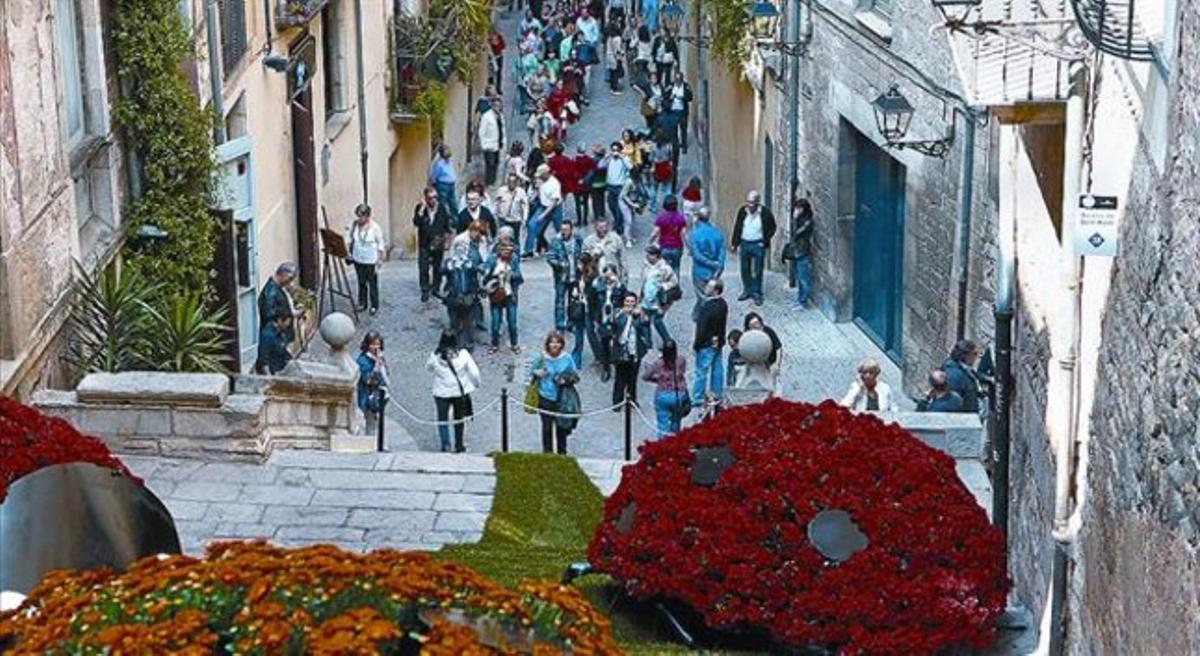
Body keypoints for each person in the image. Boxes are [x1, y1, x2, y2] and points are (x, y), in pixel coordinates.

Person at [427, 331, 481, 453]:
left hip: (441, 393)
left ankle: (445, 444)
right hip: (458, 393)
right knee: (459, 419)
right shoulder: (463, 355)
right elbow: (475, 373)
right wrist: (476, 384)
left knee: (442, 419)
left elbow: (428, 368)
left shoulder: (435, 356)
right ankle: (459, 445)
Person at [530, 331, 581, 454]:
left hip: (562, 398)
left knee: (561, 428)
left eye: (557, 342)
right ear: (548, 344)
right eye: (552, 342)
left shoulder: (567, 358)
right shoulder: (541, 358)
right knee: (546, 428)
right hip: (545, 397)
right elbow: (532, 371)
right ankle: (547, 454)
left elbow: (575, 376)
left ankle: (562, 453)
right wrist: (538, 373)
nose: (555, 345)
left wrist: (565, 380)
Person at [444, 221, 488, 350]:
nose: (478, 235)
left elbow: (480, 268)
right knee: (455, 320)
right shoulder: (452, 259)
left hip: (469, 290)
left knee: (469, 317)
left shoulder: (470, 263)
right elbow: (444, 271)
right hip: (454, 292)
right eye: (476, 231)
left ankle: (469, 341)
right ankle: (455, 341)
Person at [731, 190, 777, 305]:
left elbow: (772, 227)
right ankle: (747, 290)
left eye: (752, 203)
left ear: (757, 203)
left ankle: (757, 293)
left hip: (758, 244)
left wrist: (765, 241)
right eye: (748, 202)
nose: (750, 205)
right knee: (745, 269)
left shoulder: (765, 213)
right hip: (745, 243)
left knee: (758, 270)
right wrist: (734, 243)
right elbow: (738, 226)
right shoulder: (743, 211)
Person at [483, 241, 524, 353]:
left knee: (512, 323)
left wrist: (510, 274)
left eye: (509, 251)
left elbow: (520, 277)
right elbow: (485, 274)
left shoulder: (514, 260)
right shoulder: (492, 260)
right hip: (496, 295)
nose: (506, 253)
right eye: (504, 250)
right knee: (495, 324)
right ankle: (494, 344)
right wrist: (494, 275)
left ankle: (514, 343)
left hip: (510, 295)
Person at [692, 278, 728, 407]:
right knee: (717, 369)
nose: (706, 287)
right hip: (718, 341)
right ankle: (716, 393)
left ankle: (697, 397)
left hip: (706, 343)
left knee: (701, 371)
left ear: (715, 290)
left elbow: (702, 327)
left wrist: (696, 345)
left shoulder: (707, 306)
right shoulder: (723, 304)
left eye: (709, 286)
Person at [414, 187, 453, 302]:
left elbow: (447, 226)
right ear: (426, 198)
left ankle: (436, 288)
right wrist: (421, 209)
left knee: (437, 267)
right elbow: (416, 222)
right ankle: (425, 290)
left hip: (437, 242)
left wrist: (448, 241)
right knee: (423, 267)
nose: (433, 200)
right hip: (424, 243)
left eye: (436, 197)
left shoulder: (442, 208)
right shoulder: (420, 208)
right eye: (430, 198)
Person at [643, 339, 688, 437]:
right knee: (676, 422)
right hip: (678, 395)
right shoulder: (681, 360)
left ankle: (663, 446)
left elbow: (645, 376)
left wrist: (657, 379)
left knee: (662, 424)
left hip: (663, 394)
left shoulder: (658, 363)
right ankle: (675, 443)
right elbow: (682, 372)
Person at [688, 207, 726, 320]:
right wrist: (718, 265)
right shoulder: (718, 233)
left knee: (702, 295)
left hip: (700, 270)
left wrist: (710, 263)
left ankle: (703, 316)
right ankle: (697, 314)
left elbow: (696, 254)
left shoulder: (695, 234)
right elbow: (722, 253)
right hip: (714, 271)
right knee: (708, 294)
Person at [591, 263, 627, 381]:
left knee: (617, 341)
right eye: (607, 275)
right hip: (603, 318)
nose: (609, 278)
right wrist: (595, 319)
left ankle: (618, 365)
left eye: (611, 274)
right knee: (605, 342)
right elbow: (593, 303)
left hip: (615, 317)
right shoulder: (598, 287)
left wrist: (618, 284)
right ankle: (606, 367)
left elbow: (626, 300)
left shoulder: (620, 287)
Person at [612, 291, 647, 408]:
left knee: (633, 377)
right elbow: (612, 324)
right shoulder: (618, 314)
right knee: (620, 377)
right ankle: (617, 401)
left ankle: (632, 399)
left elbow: (645, 326)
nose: (630, 304)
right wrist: (625, 316)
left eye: (632, 302)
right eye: (627, 301)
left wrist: (640, 315)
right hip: (622, 350)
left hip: (635, 349)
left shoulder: (639, 316)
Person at [348, 203, 384, 315]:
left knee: (372, 283)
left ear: (367, 216)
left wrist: (380, 259)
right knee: (361, 282)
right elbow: (349, 238)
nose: (359, 218)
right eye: (358, 215)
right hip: (358, 258)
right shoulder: (354, 225)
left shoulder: (375, 227)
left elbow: (380, 243)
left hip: (370, 260)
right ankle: (362, 303)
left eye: (361, 216)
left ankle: (374, 305)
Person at [548, 220, 584, 331]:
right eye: (562, 230)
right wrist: (559, 264)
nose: (564, 232)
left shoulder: (577, 240)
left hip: (575, 275)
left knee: (573, 300)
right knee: (560, 301)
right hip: (562, 276)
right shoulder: (555, 241)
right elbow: (550, 258)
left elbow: (582, 253)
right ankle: (559, 324)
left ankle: (571, 322)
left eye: (567, 230)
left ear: (571, 230)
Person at [639, 245, 678, 348]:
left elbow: (674, 281)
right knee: (645, 320)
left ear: (656, 256)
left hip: (658, 300)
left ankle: (667, 340)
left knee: (657, 321)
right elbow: (644, 281)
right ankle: (647, 343)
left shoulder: (665, 268)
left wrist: (663, 287)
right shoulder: (646, 266)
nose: (647, 256)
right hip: (647, 298)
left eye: (650, 254)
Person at [782, 196, 815, 307]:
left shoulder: (807, 222)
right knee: (799, 277)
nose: (797, 210)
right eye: (796, 207)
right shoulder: (801, 220)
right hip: (797, 252)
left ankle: (804, 301)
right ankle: (800, 299)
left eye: (799, 208)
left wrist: (795, 219)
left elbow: (796, 234)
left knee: (803, 278)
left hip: (802, 252)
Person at [356, 331, 389, 438]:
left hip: (379, 395)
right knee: (370, 424)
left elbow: (386, 373)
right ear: (367, 345)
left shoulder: (379, 357)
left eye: (378, 344)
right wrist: (377, 364)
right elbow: (368, 380)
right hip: (368, 397)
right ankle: (371, 447)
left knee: (376, 422)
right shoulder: (363, 360)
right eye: (373, 344)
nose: (376, 347)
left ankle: (377, 443)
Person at [525, 164, 563, 256]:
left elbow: (554, 202)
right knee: (532, 225)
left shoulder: (554, 184)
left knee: (559, 229)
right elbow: (539, 191)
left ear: (546, 173)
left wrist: (543, 215)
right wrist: (534, 197)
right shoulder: (541, 180)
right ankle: (528, 250)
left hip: (554, 208)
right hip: (543, 205)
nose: (539, 177)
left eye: (541, 175)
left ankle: (562, 248)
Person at [258, 262, 299, 344]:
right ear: (283, 274)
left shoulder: (277, 288)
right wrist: (282, 323)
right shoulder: (271, 291)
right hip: (274, 336)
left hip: (277, 335)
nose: (290, 282)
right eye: (290, 278)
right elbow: (269, 313)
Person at [603, 141, 633, 242]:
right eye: (613, 150)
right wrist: (606, 157)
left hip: (620, 187)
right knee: (611, 205)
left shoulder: (624, 158)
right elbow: (600, 166)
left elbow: (630, 167)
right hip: (610, 186)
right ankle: (618, 222)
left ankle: (617, 228)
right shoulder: (610, 159)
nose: (615, 152)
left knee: (619, 208)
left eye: (617, 150)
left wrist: (622, 157)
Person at [943, 339, 982, 414]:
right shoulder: (954, 374)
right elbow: (953, 402)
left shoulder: (964, 369)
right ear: (966, 355)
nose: (976, 357)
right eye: (975, 353)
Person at [650, 194, 687, 275]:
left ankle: (665, 284)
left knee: (664, 267)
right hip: (677, 246)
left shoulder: (661, 218)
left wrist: (650, 242)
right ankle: (675, 285)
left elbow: (655, 233)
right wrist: (689, 247)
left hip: (664, 246)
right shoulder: (680, 218)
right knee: (676, 267)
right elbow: (684, 234)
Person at [494, 173, 530, 249]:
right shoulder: (501, 190)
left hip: (515, 219)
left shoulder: (521, 192)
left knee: (515, 238)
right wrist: (495, 213)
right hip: (503, 218)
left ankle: (516, 255)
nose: (511, 184)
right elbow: (497, 202)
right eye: (509, 181)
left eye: (513, 182)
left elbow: (525, 206)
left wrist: (524, 218)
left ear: (516, 183)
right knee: (503, 237)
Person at [666, 71, 694, 152]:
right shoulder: (670, 86)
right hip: (673, 111)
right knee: (673, 129)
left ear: (682, 79)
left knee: (683, 129)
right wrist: (671, 98)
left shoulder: (686, 87)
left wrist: (683, 97)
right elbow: (665, 96)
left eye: (679, 79)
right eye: (676, 79)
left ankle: (684, 145)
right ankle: (676, 144)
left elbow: (690, 98)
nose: (678, 81)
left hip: (682, 112)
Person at [478, 99, 504, 187]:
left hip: (497, 144)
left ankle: (493, 181)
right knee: (490, 164)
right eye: (496, 106)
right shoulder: (486, 116)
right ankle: (488, 182)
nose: (498, 108)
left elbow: (501, 129)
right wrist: (484, 145)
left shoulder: (499, 115)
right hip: (489, 145)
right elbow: (481, 131)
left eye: (499, 106)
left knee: (496, 163)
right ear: (492, 106)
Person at [429, 145, 459, 215]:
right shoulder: (440, 164)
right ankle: (447, 219)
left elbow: (436, 175)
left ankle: (455, 220)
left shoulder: (447, 162)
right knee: (445, 203)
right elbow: (435, 175)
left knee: (451, 203)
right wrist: (433, 183)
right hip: (444, 185)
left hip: (449, 184)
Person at [604, 22, 625, 93]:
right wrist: (620, 57)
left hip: (609, 57)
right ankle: (615, 88)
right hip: (615, 58)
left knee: (612, 73)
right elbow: (617, 50)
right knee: (616, 73)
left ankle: (612, 88)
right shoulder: (617, 38)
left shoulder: (609, 37)